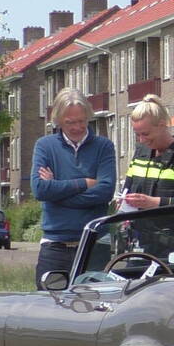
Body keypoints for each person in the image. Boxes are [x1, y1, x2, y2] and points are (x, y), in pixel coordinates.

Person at [31, 87, 116, 288]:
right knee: (49, 305)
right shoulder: (45, 146)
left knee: (96, 306)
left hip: (94, 245)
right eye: (70, 123)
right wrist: (84, 183)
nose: (77, 127)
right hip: (55, 245)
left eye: (82, 121)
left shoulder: (104, 147)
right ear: (59, 121)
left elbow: (105, 191)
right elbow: (40, 190)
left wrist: (57, 192)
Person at [121, 94, 174, 210]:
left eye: (146, 134)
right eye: (138, 135)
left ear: (162, 125)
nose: (141, 140)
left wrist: (155, 202)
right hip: (138, 227)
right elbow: (125, 193)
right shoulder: (140, 154)